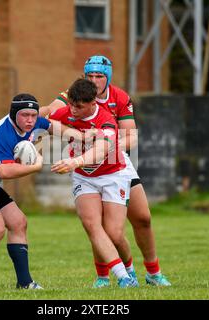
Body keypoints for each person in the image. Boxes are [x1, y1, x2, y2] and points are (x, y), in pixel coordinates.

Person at [41, 55, 171, 287]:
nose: (94, 80)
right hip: (86, 167)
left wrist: (105, 146)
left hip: (116, 164)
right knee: (95, 223)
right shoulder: (75, 95)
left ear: (108, 77)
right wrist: (26, 118)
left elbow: (131, 136)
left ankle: (153, 272)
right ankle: (103, 276)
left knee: (142, 218)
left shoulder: (119, 98)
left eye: (99, 76)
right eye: (90, 75)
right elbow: (51, 113)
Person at [0, 93, 82, 292]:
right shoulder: (4, 133)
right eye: (24, 115)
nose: (30, 120)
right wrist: (36, 166)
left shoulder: (33, 122)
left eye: (33, 115)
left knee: (19, 223)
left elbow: (53, 124)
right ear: (13, 114)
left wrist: (82, 137)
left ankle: (24, 282)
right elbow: (5, 171)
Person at [50, 78, 137, 288]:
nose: (72, 110)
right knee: (91, 225)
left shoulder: (106, 121)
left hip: (113, 174)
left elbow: (102, 150)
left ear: (93, 103)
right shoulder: (68, 112)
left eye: (78, 107)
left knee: (115, 233)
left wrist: (75, 161)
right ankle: (118, 277)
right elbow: (44, 122)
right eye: (70, 104)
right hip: (84, 177)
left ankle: (130, 270)